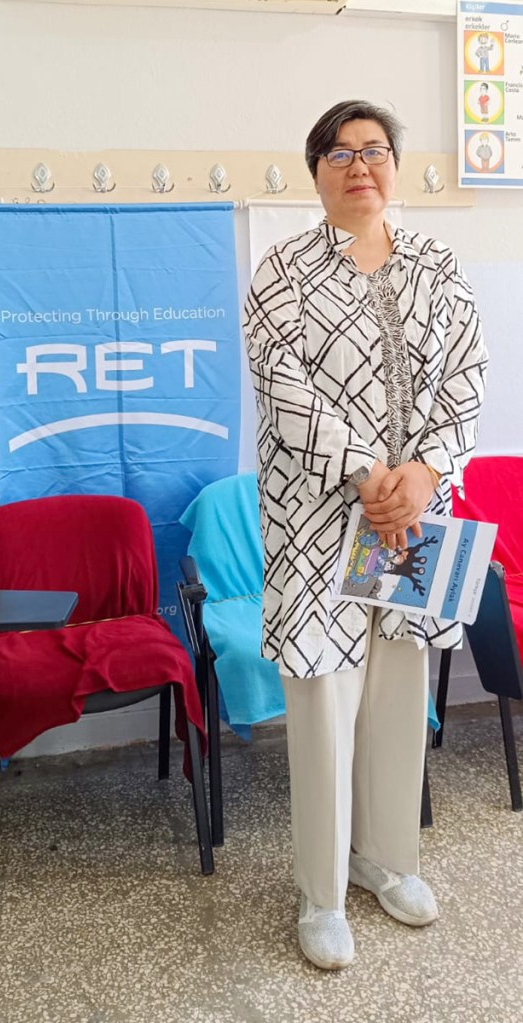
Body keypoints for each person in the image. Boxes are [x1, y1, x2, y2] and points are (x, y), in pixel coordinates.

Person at [243, 100, 487, 970]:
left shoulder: (438, 266)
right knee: (322, 698)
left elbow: (467, 376)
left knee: (398, 689)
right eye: (340, 154)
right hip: (318, 519)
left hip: (416, 516)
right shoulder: (280, 273)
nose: (359, 166)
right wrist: (366, 474)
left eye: (374, 150)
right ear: (315, 170)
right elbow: (283, 389)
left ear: (395, 164)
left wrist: (423, 473)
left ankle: (386, 859)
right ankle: (320, 892)